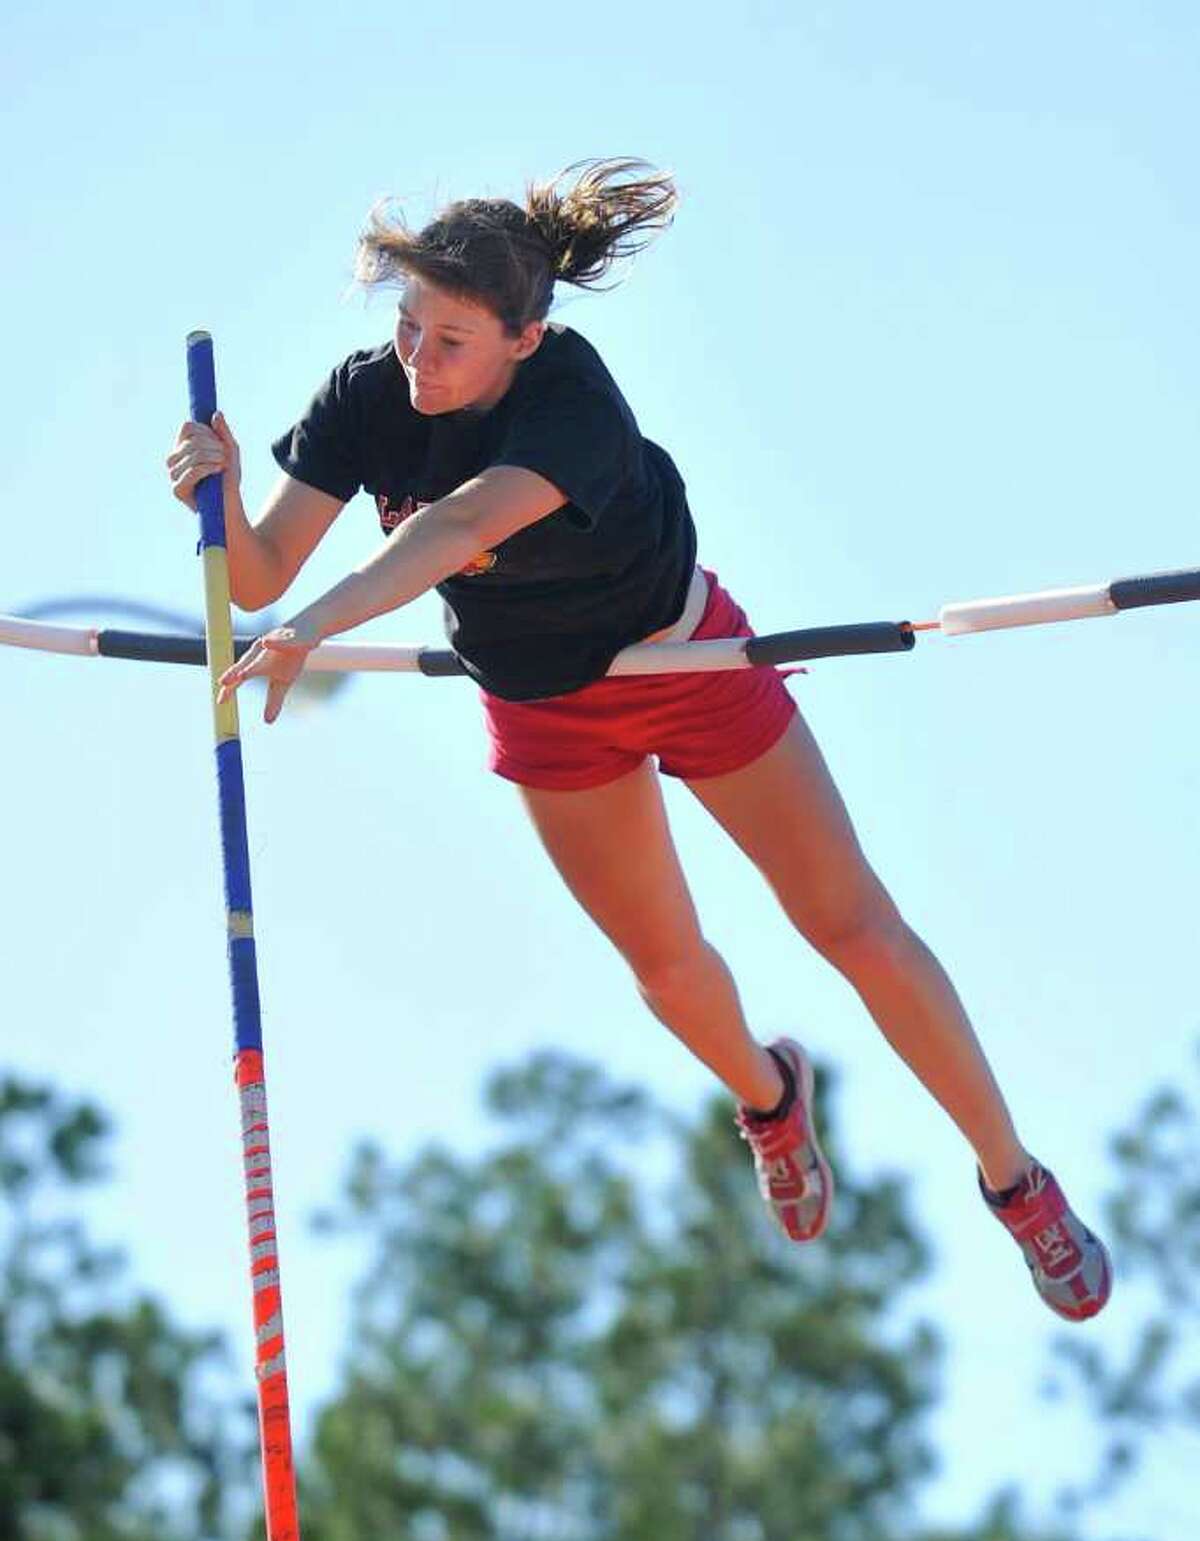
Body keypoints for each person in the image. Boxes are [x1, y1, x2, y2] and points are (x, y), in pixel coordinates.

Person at [167, 158, 1111, 1322]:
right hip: (544, 706)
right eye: (408, 327)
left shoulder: (571, 399)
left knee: (852, 926)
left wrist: (313, 625)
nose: (418, 360)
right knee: (668, 971)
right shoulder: (372, 396)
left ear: (526, 334)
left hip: (684, 663)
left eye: (452, 340)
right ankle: (771, 1104)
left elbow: (458, 526)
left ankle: (1017, 1184)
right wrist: (216, 486)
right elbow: (261, 571)